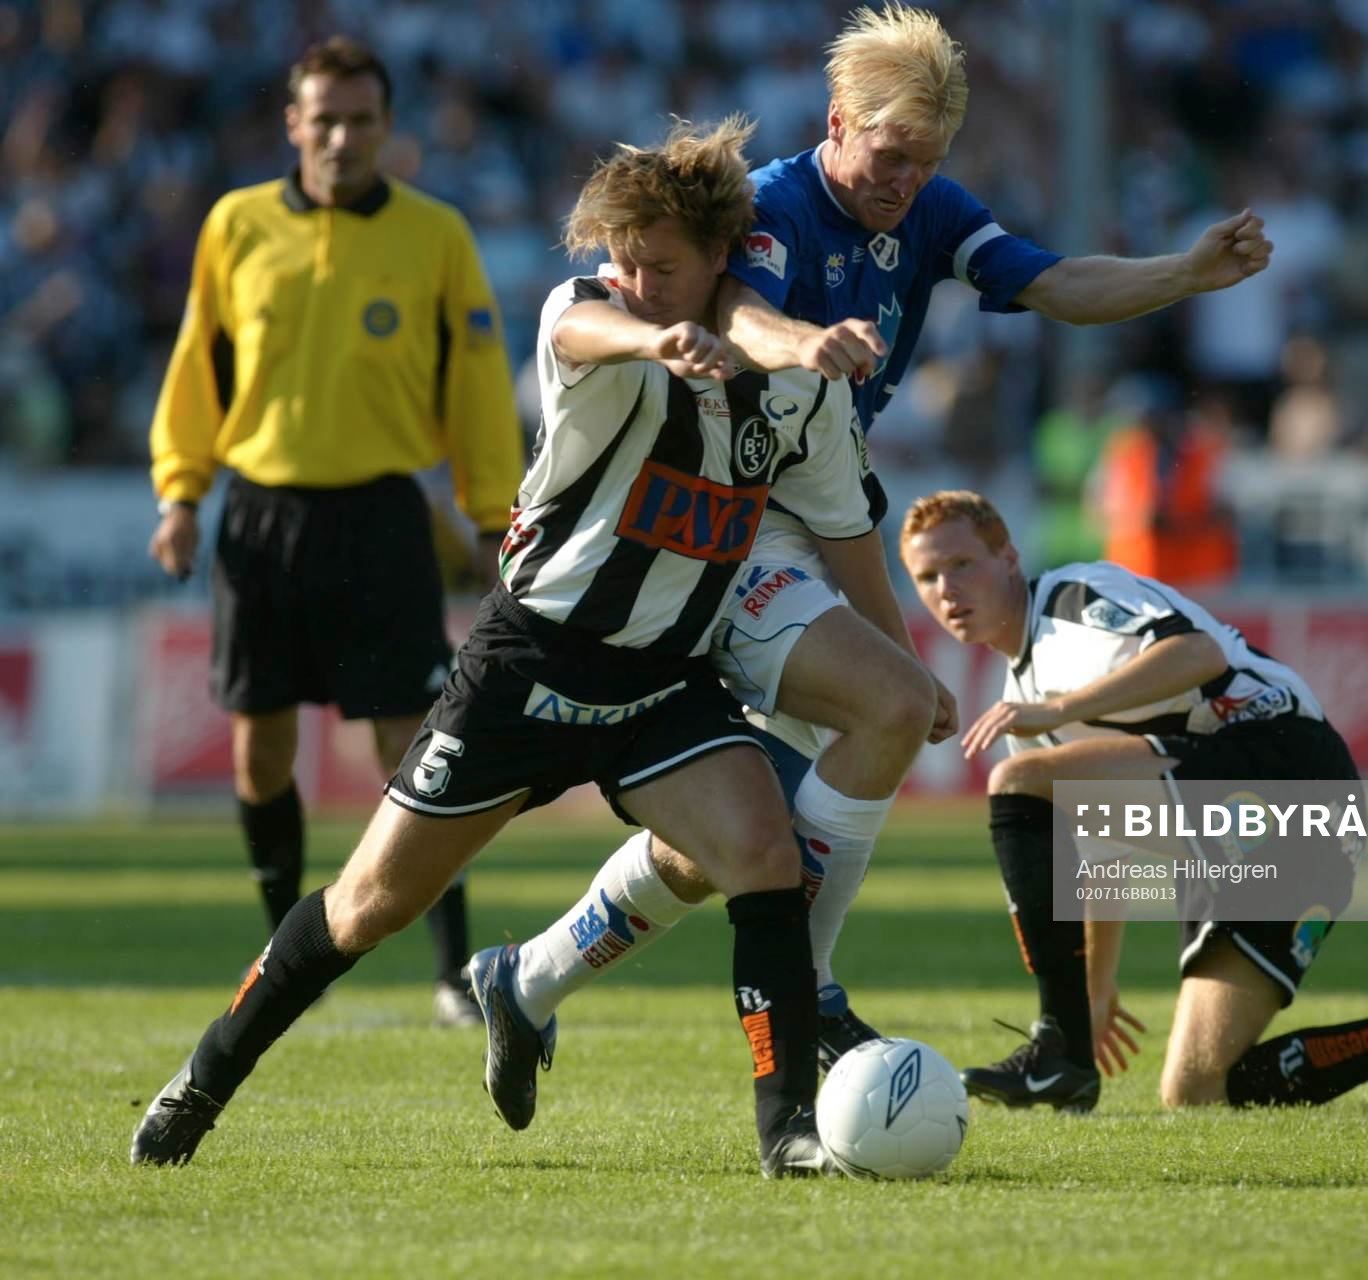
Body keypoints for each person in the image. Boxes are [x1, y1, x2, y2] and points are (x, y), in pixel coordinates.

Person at [497, 3, 1276, 1072]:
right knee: (888, 714)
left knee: (718, 842)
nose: (904, 179)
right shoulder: (771, 203)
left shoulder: (933, 213)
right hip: (737, 528)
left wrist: (1181, 274)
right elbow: (738, 317)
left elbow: (1051, 283)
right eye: (890, 152)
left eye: (925, 161)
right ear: (836, 121)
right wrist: (810, 344)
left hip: (810, 519)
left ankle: (526, 977)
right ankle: (808, 992)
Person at [131, 116, 876, 1178]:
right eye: (621, 258)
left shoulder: (787, 380)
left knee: (759, 850)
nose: (632, 279)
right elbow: (582, 330)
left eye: (659, 265)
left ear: (722, 259)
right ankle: (200, 1079)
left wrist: (901, 663)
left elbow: (843, 520)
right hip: (529, 662)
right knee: (367, 907)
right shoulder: (592, 317)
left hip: (661, 676)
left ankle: (787, 1133)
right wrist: (654, 332)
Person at [897, 489, 1368, 1115]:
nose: (947, 589)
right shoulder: (1025, 706)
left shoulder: (1072, 598)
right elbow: (1101, 854)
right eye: (927, 577)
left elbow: (1197, 654)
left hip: (1288, 766)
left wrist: (1061, 710)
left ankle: (1055, 1051)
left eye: (962, 564)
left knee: (1018, 784)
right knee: (1197, 1089)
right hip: (1245, 829)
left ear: (1008, 557)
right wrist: (1096, 988)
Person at [145, 37, 524, 1026]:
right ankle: (286, 957)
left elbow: (479, 388)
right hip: (260, 517)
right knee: (258, 756)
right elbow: (199, 365)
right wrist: (180, 494)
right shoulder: (237, 225)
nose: (343, 136)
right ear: (293, 124)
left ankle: (452, 971)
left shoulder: (435, 236)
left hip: (382, 515)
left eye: (360, 119)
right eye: (324, 118)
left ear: (386, 127)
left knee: (419, 749)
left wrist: (493, 515)